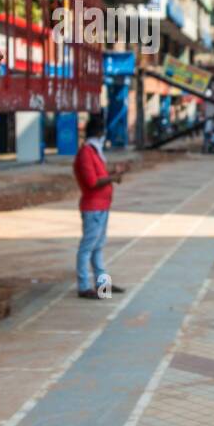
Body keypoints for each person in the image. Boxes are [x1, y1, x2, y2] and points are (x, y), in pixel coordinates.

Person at [74, 113, 128, 299]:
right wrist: (112, 177)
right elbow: (91, 182)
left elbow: (100, 175)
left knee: (97, 247)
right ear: (99, 133)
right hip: (93, 207)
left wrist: (113, 173)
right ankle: (83, 286)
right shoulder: (86, 153)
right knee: (87, 247)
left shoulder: (95, 152)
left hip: (102, 205)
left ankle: (103, 287)